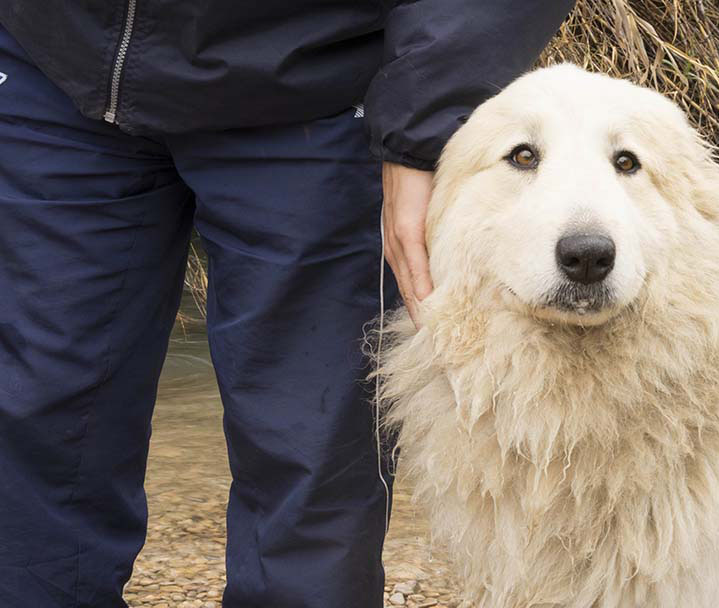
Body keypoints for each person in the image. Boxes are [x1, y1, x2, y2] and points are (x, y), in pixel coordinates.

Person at [0, 2, 574, 607]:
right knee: (35, 422)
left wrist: (426, 128)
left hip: (316, 79)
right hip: (53, 61)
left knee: (309, 462)